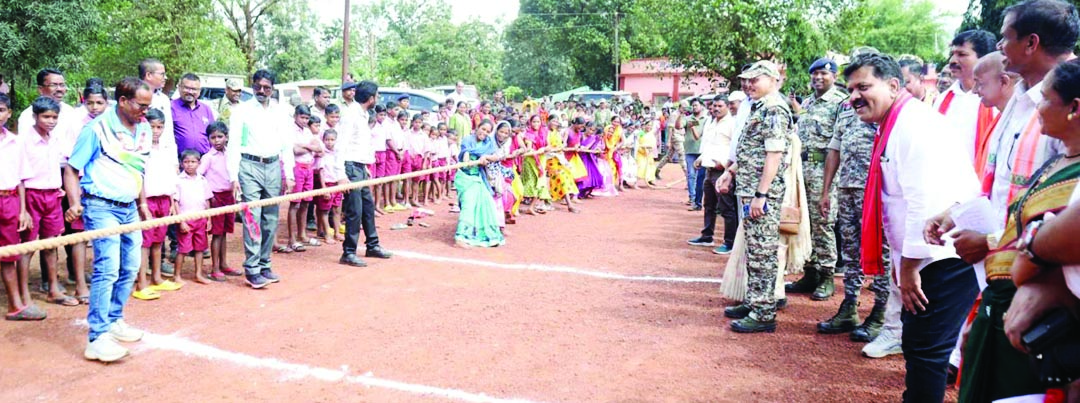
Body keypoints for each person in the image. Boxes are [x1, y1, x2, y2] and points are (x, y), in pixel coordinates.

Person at [922, 1, 1080, 401]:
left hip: (1045, 293)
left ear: (1031, 42)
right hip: (999, 278)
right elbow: (1003, 188)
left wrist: (994, 245)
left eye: (1006, 38)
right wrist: (956, 214)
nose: (1001, 47)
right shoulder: (1022, 99)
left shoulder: (1064, 104)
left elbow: (1062, 213)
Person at [845, 53, 982, 402]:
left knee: (926, 352)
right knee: (921, 347)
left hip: (940, 259)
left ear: (893, 85)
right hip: (929, 257)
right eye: (851, 90)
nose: (854, 96)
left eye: (863, 86)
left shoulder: (913, 126)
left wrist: (907, 268)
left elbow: (924, 202)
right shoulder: (898, 122)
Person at [65, 77, 155, 363]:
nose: (145, 111)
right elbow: (72, 168)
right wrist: (75, 203)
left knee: (130, 266)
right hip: (101, 207)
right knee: (108, 268)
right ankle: (98, 336)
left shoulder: (144, 129)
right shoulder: (96, 129)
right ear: (124, 101)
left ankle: (115, 319)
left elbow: (139, 169)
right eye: (141, 105)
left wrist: (142, 202)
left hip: (130, 207)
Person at [716, 60, 792, 333]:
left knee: (762, 251)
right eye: (746, 80)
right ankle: (754, 300)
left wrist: (761, 195)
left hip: (761, 193)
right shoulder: (759, 107)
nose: (749, 84)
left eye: (755, 79)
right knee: (753, 249)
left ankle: (763, 313)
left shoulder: (774, 109)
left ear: (773, 80)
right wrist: (731, 172)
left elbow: (774, 155)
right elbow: (752, 150)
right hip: (749, 188)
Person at [819, 72, 892, 344]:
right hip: (847, 187)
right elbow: (835, 148)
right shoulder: (846, 108)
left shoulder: (884, 107)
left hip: (875, 190)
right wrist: (826, 191)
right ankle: (850, 305)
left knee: (881, 252)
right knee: (850, 250)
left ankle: (881, 310)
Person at [785, 57, 847, 301]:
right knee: (805, 223)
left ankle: (827, 276)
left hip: (825, 170)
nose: (818, 78)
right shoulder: (808, 103)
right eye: (815, 74)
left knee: (824, 222)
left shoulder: (841, 103)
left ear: (834, 77)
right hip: (804, 168)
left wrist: (830, 184)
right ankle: (810, 273)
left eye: (823, 74)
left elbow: (840, 142)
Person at [227, 69, 295, 289]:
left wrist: (289, 173)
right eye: (258, 87)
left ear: (272, 88)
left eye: (266, 87)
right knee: (251, 217)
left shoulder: (281, 111)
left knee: (271, 219)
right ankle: (252, 268)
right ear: (253, 86)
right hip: (248, 167)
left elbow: (286, 144)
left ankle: (265, 264)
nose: (262, 91)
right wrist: (233, 175)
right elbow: (234, 143)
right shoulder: (242, 111)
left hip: (273, 167)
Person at [19, 97, 74, 306]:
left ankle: (53, 289)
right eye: (46, 116)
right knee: (27, 247)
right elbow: (20, 177)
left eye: (54, 117)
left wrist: (59, 188)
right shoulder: (23, 141)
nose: (51, 121)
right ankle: (24, 296)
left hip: (53, 196)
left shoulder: (55, 139)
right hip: (32, 195)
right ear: (35, 116)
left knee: (52, 244)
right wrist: (22, 209)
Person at [338, 81, 392, 267]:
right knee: (355, 210)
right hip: (350, 168)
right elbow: (341, 145)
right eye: (376, 95)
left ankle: (372, 245)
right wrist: (341, 175)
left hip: (360, 167)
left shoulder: (363, 114)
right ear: (371, 98)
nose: (377, 98)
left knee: (368, 208)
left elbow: (360, 144)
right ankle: (349, 252)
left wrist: (365, 166)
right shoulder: (351, 115)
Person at [937, 30, 1000, 170]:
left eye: (962, 54)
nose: (952, 61)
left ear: (984, 58)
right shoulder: (942, 100)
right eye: (952, 54)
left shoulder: (998, 100)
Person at [0, 93, 39, 320]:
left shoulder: (15, 142)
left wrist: (23, 210)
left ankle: (15, 305)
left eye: (2, 110)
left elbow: (22, 179)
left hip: (10, 200)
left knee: (8, 253)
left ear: (9, 113)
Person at [133, 109, 179, 300]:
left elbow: (170, 175)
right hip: (148, 199)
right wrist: (142, 203)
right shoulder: (140, 147)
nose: (156, 131)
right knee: (144, 241)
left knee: (159, 240)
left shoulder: (167, 148)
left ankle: (157, 277)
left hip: (163, 198)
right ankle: (141, 281)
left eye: (160, 127)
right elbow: (138, 176)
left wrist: (172, 201)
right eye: (152, 127)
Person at [688, 95, 736, 252]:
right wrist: (701, 158)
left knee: (726, 207)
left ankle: (730, 242)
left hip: (722, 171)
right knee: (709, 205)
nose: (716, 108)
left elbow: (734, 148)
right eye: (714, 106)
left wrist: (724, 164)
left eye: (720, 106)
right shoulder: (710, 121)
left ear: (727, 106)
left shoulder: (732, 123)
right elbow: (709, 143)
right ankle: (707, 236)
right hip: (708, 168)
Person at [454, 119, 505, 248]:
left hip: (478, 178)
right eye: (483, 129)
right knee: (468, 206)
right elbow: (465, 154)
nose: (485, 133)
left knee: (487, 203)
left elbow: (496, 156)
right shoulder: (468, 140)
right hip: (466, 177)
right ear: (477, 128)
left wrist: (485, 157)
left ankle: (484, 234)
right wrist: (471, 161)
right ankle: (460, 238)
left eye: (488, 131)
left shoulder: (488, 143)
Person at [198, 122, 239, 280]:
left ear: (226, 137)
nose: (217, 140)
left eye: (220, 136)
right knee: (216, 233)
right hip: (216, 198)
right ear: (208, 139)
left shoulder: (231, 154)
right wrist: (210, 196)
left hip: (228, 196)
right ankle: (215, 268)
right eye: (213, 137)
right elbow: (199, 177)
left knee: (224, 233)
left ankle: (224, 264)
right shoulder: (208, 158)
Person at [971, 52, 1019, 179]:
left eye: (979, 83)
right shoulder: (1001, 118)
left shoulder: (1023, 122)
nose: (974, 90)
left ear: (1003, 82)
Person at [172, 149, 213, 285]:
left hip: (201, 218)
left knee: (200, 248)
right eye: (186, 162)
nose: (190, 164)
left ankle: (198, 274)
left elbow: (207, 201)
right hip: (186, 219)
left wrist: (209, 219)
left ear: (199, 163)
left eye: (193, 162)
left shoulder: (203, 180)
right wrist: (181, 221)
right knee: (183, 249)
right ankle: (177, 275)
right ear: (181, 163)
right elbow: (175, 202)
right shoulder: (178, 181)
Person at [286, 105, 320, 252]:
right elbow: (294, 150)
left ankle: (302, 234)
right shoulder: (290, 130)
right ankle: (292, 238)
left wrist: (306, 146)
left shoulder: (308, 131)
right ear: (295, 116)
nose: (305, 121)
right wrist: (309, 147)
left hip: (309, 168)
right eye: (302, 117)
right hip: (297, 168)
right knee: (295, 204)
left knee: (306, 202)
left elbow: (319, 149)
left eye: (307, 118)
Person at [18, 68, 77, 139]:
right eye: (53, 85)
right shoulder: (28, 116)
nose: (59, 89)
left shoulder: (70, 112)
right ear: (40, 89)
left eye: (62, 85)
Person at [172, 73, 215, 156]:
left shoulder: (206, 109)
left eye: (194, 89)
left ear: (199, 91)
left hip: (204, 161)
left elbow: (213, 134)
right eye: (187, 88)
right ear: (179, 87)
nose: (190, 92)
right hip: (180, 161)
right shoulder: (171, 107)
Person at [546, 119, 581, 213]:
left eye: (557, 122)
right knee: (560, 179)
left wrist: (561, 149)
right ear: (548, 121)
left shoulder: (557, 133)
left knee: (566, 177)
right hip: (549, 160)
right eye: (553, 121)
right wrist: (556, 149)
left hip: (560, 159)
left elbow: (561, 146)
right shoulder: (545, 132)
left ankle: (569, 203)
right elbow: (546, 147)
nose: (555, 123)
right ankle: (568, 204)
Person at [139, 59, 175, 150]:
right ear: (149, 75)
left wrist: (173, 158)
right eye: (162, 74)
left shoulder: (164, 100)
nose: (165, 77)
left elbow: (168, 131)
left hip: (161, 151)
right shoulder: (133, 97)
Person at [316, 129, 345, 243]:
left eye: (332, 140)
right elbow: (321, 172)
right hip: (327, 184)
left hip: (337, 183)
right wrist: (324, 189)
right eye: (327, 140)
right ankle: (327, 233)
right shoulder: (322, 154)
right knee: (325, 210)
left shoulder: (338, 153)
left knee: (337, 209)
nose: (329, 142)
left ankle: (337, 232)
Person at [522, 114, 553, 215]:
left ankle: (533, 206)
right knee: (532, 183)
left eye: (538, 122)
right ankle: (527, 206)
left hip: (541, 160)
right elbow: (529, 147)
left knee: (541, 183)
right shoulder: (528, 133)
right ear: (530, 123)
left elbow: (549, 145)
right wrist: (538, 151)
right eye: (534, 122)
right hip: (531, 161)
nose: (536, 124)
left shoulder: (544, 132)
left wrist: (543, 149)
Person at [682, 100, 708, 210]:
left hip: (702, 151)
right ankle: (692, 198)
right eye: (692, 105)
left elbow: (698, 136)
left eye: (696, 105)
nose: (694, 107)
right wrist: (680, 114)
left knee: (702, 177)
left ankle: (699, 200)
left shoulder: (707, 119)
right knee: (691, 175)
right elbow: (678, 126)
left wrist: (692, 127)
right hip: (690, 150)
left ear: (702, 106)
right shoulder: (688, 119)